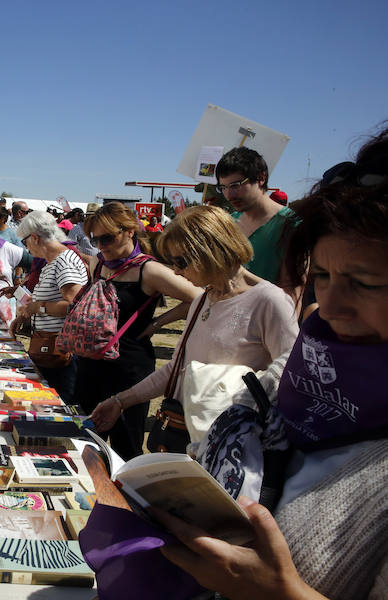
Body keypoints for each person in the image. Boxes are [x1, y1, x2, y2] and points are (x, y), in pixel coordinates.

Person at [160, 125, 388, 600]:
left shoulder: (268, 305)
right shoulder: (293, 383)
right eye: (321, 276)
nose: (330, 306)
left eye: (366, 283)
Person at [90, 205, 298, 452]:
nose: (176, 271)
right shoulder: (203, 300)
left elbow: (291, 382)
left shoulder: (268, 301)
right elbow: (177, 369)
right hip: (186, 439)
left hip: (232, 449)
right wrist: (120, 401)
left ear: (210, 251)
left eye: (180, 261)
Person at [76, 202, 201, 459]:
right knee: (84, 440)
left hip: (129, 368)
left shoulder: (149, 270)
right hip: (90, 363)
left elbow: (199, 298)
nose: (101, 245)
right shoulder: (97, 264)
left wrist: (157, 323)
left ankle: (125, 496)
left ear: (130, 230)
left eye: (107, 238)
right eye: (95, 239)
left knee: (126, 445)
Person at [8, 211, 87, 404]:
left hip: (62, 355)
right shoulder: (52, 262)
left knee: (60, 405)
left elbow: (73, 305)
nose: (26, 248)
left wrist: (38, 308)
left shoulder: (64, 261)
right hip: (51, 351)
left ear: (35, 238)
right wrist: (26, 315)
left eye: (25, 242)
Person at [216, 147, 295, 289]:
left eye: (236, 185)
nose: (229, 195)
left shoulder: (291, 224)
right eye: (223, 187)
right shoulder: (230, 222)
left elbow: (293, 292)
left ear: (261, 178)